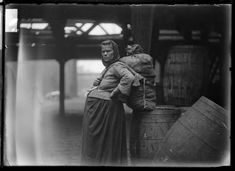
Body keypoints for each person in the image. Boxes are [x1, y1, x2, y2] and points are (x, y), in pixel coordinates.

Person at [81, 40, 136, 166]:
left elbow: (129, 77)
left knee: (106, 141)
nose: (105, 54)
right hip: (99, 111)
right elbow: (104, 85)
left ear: (115, 52)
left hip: (105, 110)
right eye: (103, 51)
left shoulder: (117, 66)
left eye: (108, 51)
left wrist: (115, 92)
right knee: (97, 143)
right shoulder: (109, 68)